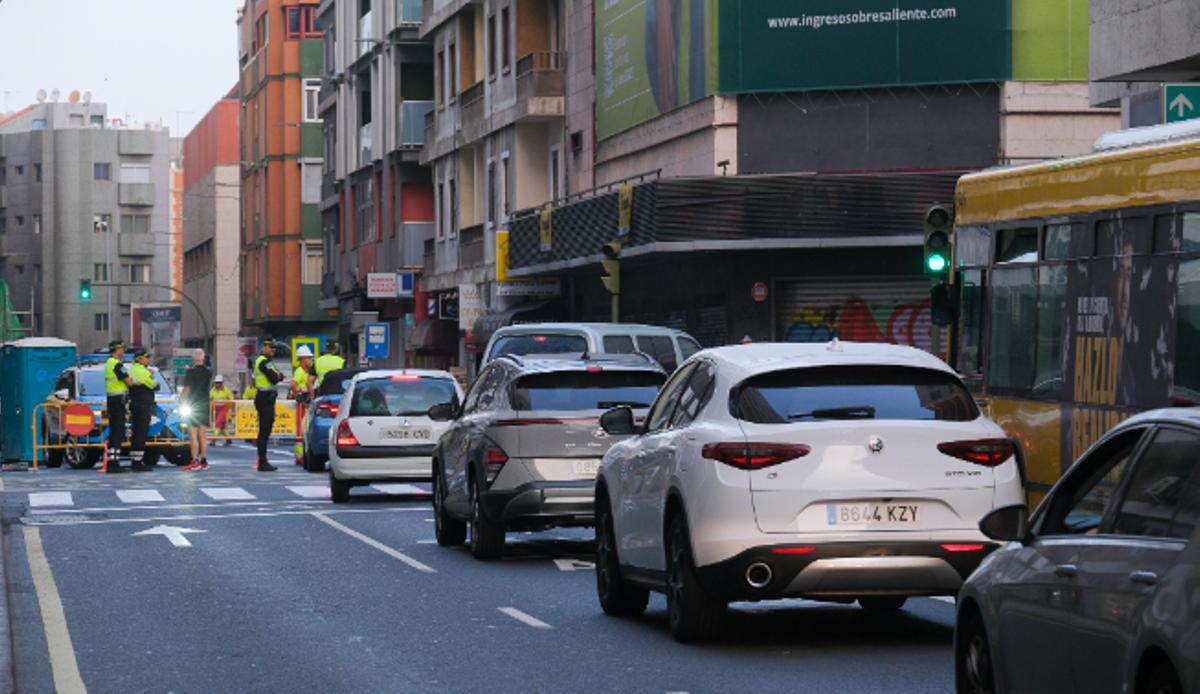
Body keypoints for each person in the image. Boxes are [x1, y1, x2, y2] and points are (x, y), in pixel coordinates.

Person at [252, 340, 284, 472]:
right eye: (270, 348)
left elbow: (277, 376)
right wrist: (278, 376)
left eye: (274, 348)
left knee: (266, 429)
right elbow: (274, 378)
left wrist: (278, 376)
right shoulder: (263, 361)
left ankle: (263, 460)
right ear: (264, 347)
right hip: (264, 398)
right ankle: (262, 461)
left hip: (268, 398)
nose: (273, 350)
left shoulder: (268, 361)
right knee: (264, 430)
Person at [103, 340, 133, 474]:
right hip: (118, 401)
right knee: (118, 432)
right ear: (117, 350)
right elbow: (129, 382)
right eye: (122, 348)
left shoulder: (109, 363)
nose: (123, 351)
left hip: (112, 400)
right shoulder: (117, 364)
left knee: (115, 431)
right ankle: (114, 463)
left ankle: (112, 461)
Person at [127, 347, 159, 473]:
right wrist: (151, 375)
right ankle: (138, 463)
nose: (148, 360)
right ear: (140, 359)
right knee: (141, 434)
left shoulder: (131, 369)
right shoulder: (142, 372)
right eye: (146, 358)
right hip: (143, 406)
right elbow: (155, 385)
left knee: (136, 434)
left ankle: (135, 460)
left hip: (135, 405)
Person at [180, 349, 212, 471]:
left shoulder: (190, 372)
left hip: (193, 404)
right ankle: (204, 460)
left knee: (193, 434)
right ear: (203, 358)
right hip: (205, 404)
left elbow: (187, 388)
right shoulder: (208, 372)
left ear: (193, 358)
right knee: (202, 434)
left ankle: (194, 460)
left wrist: (180, 400)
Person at [291, 345, 315, 465]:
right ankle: (299, 456)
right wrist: (298, 395)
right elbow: (293, 384)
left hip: (307, 401)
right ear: (302, 359)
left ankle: (304, 454)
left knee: (306, 427)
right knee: (301, 429)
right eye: (309, 358)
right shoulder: (299, 371)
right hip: (302, 403)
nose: (311, 360)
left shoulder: (307, 372)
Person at [210, 375, 235, 446]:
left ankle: (213, 440)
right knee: (223, 426)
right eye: (216, 383)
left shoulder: (226, 390)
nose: (217, 384)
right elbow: (210, 398)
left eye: (218, 383)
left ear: (221, 383)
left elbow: (232, 400)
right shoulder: (213, 390)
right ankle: (229, 439)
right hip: (216, 410)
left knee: (218, 424)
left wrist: (229, 409)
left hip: (224, 409)